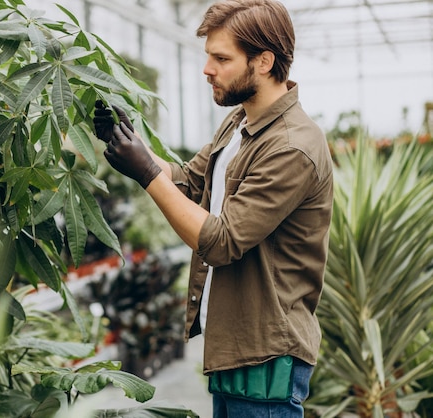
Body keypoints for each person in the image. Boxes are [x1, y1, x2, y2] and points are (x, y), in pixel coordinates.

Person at [92, 0, 333, 417]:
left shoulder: (293, 147)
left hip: (267, 360)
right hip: (235, 350)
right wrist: (129, 147)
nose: (207, 68)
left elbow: (222, 241)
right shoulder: (241, 122)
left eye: (221, 58)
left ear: (264, 61)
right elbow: (189, 179)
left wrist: (148, 171)